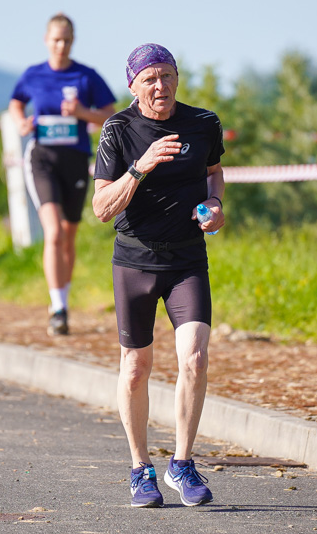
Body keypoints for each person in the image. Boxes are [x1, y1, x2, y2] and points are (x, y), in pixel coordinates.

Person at [92, 44, 226, 508]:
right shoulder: (118, 129)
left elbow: (214, 173)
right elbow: (101, 209)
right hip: (135, 262)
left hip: (188, 260)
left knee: (194, 359)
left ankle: (183, 463)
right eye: (149, 78)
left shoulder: (204, 123)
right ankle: (140, 469)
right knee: (136, 369)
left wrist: (215, 206)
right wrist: (140, 166)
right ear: (132, 85)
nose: (160, 86)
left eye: (167, 75)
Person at [8, 13, 116, 336]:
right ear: (46, 40)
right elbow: (16, 103)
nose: (61, 45)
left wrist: (83, 113)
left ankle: (64, 301)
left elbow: (110, 115)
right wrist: (20, 122)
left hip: (76, 160)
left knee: (68, 236)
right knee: (53, 232)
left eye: (67, 40)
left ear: (73, 41)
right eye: (56, 39)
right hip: (42, 159)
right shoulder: (33, 74)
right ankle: (58, 309)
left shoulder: (87, 76)